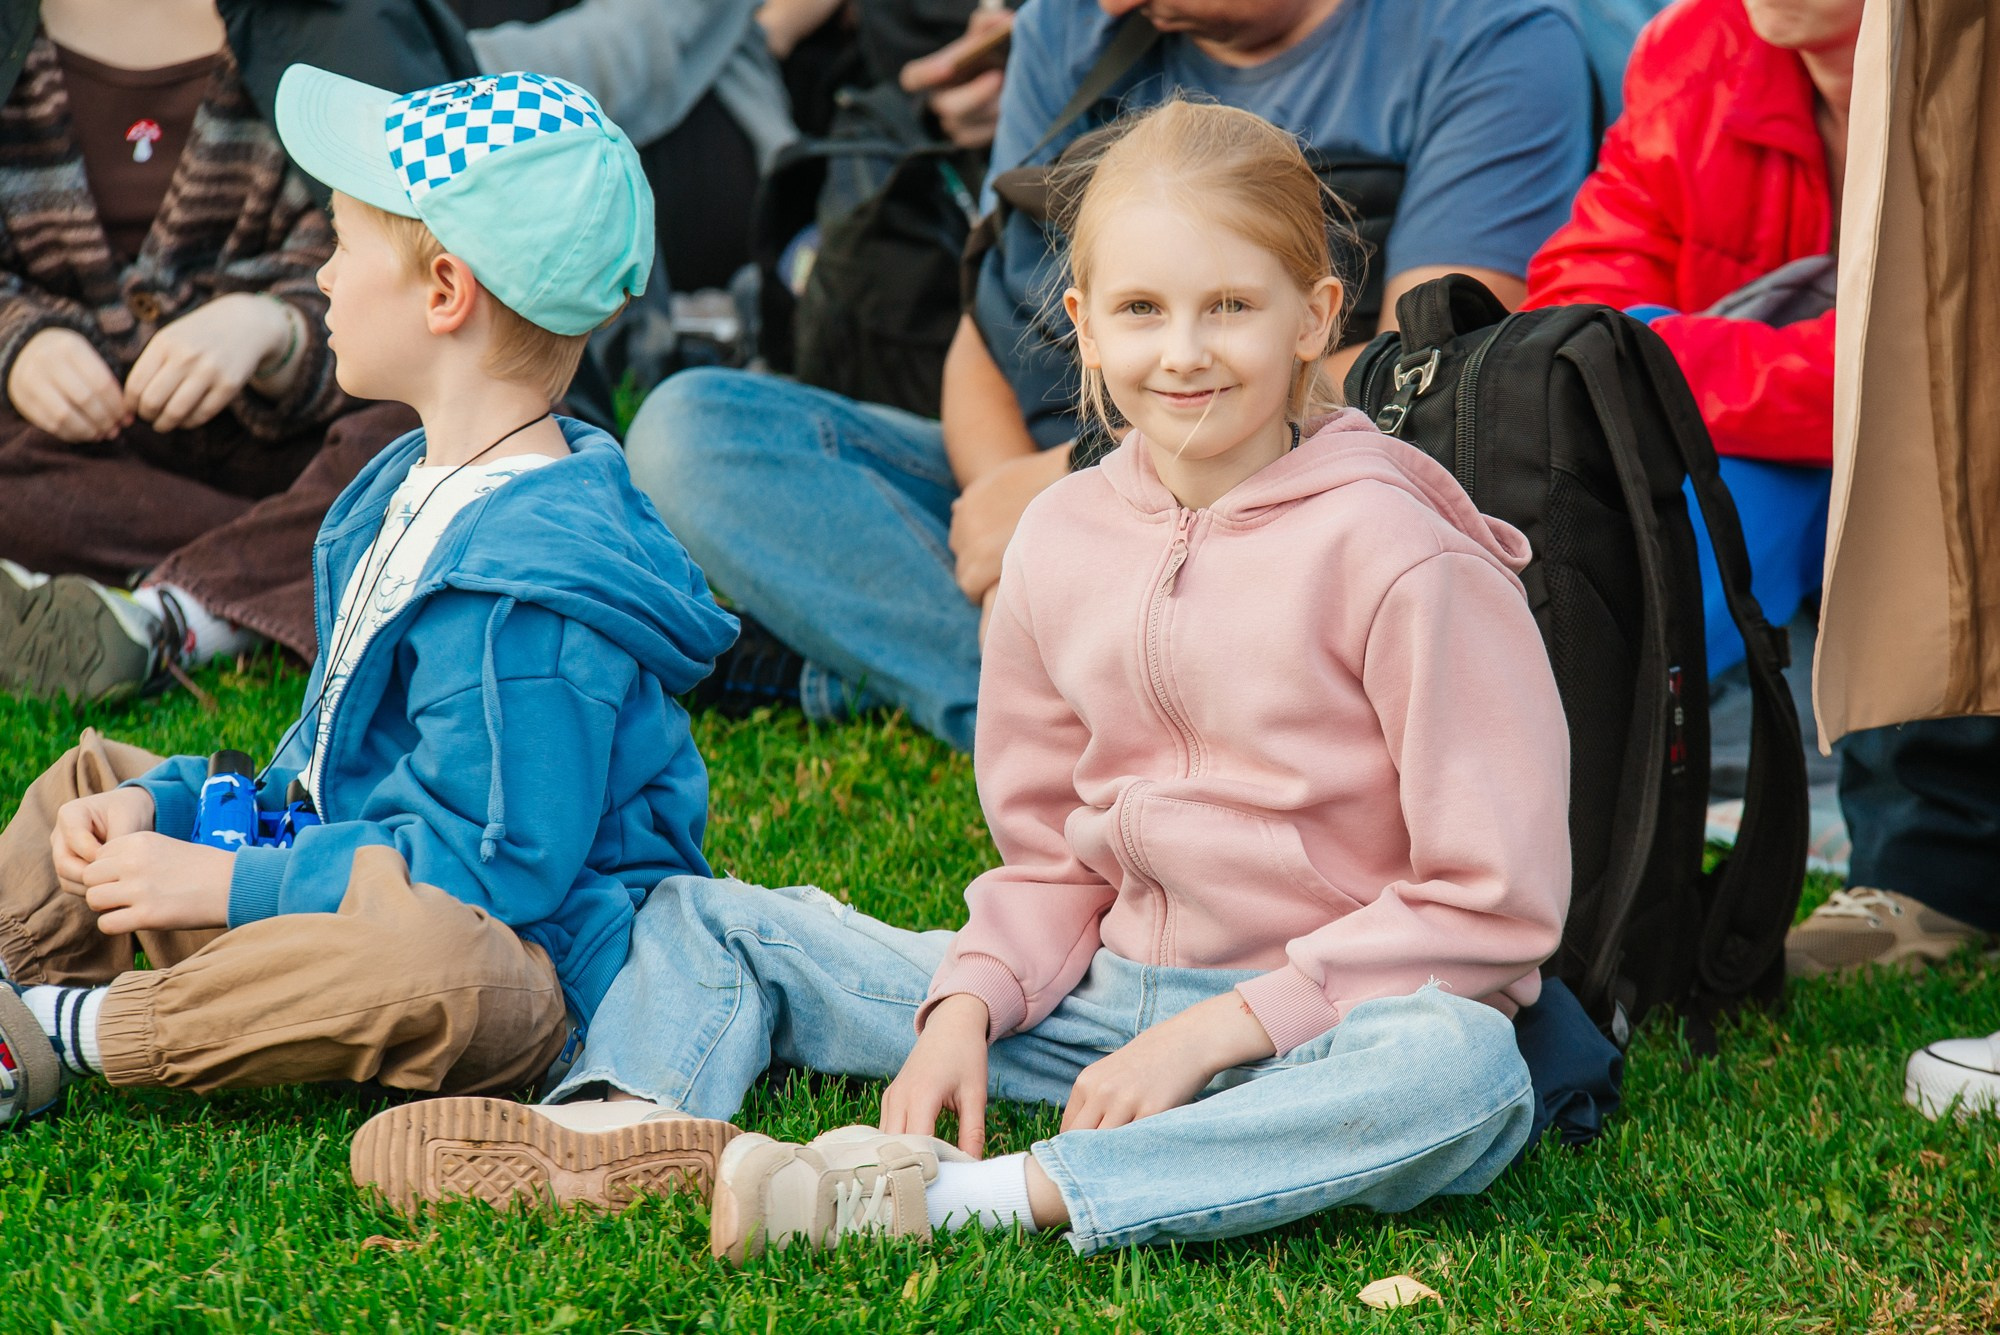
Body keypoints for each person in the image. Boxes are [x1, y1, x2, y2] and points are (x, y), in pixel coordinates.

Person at [348, 102, 1572, 1261]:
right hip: (1098, 994)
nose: (1184, 353)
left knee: (1461, 1073)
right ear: (1083, 325)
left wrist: (1223, 1032)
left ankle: (964, 1199)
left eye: (1230, 308)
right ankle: (620, 1129)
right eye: (1141, 309)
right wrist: (965, 1010)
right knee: (705, 915)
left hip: (1324, 1025)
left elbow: (1491, 906)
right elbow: (1050, 863)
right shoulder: (1059, 538)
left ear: (1313, 317)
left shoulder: (1404, 552)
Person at [0, 66, 738, 1134]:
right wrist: (169, 818)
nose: (326, 281)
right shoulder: (399, 491)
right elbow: (321, 775)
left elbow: (491, 878)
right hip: (355, 866)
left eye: (341, 249)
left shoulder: (530, 593)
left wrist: (221, 890)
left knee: (427, 962)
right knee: (95, 781)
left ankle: (74, 1029)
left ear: (445, 292)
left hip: (529, 969)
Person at [627, 0, 1594, 751]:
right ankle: (1123, 711)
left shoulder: (1495, 36)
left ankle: (1017, 701)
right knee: (695, 433)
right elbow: (992, 316)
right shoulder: (1076, 25)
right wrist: (1010, 522)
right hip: (1066, 485)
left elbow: (1424, 383)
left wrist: (1067, 483)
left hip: (1296, 512)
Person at [1522, 0, 1861, 895]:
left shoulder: (1969, 70)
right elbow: (1577, 313)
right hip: (1746, 446)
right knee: (1603, 530)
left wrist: (1667, 357)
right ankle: (1562, 854)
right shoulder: (1698, 43)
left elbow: (1946, 374)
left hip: (1927, 463)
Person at [0, 0, 421, 703]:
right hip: (74, 444)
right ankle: (317, 562)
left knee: (446, 416)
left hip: (294, 438)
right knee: (414, 502)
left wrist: (275, 327)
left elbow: (411, 266)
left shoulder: (341, 28)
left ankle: (174, 611)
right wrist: (17, 338)